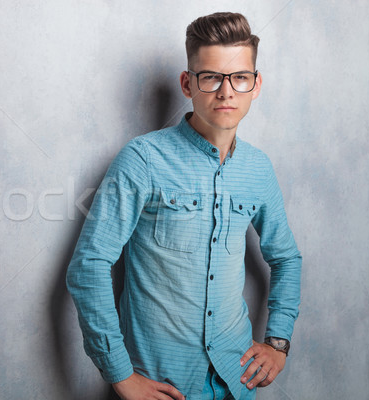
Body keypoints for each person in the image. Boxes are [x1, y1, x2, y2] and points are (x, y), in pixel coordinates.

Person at [66, 12, 302, 400]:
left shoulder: (259, 169)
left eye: (239, 77)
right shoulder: (142, 159)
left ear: (255, 85)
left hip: (237, 383)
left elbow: (286, 257)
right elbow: (88, 265)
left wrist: (278, 343)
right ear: (187, 83)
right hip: (161, 386)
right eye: (210, 77)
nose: (226, 92)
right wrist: (121, 375)